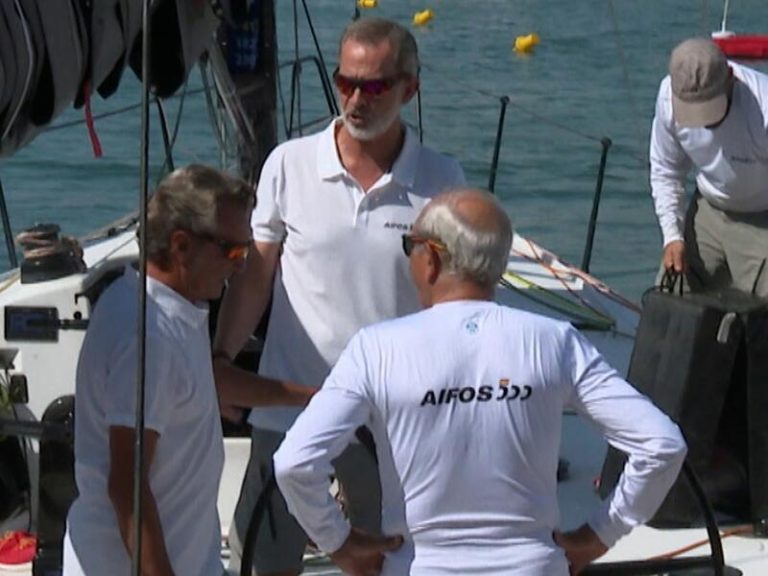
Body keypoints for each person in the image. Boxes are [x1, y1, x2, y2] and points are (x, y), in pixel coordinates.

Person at [274, 188, 687, 576]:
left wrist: (339, 542)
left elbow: (295, 462)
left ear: (432, 258)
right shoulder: (554, 341)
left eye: (410, 247)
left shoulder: (376, 349)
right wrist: (599, 535)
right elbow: (662, 445)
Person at [213, 17, 466, 576]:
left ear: (409, 90)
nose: (355, 98)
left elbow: (453, 303)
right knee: (262, 562)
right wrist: (221, 362)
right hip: (289, 408)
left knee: (384, 560)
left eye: (374, 86)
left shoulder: (443, 181)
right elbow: (256, 274)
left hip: (390, 418)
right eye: (345, 82)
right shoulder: (288, 164)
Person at [63, 165, 313, 576]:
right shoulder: (149, 336)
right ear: (181, 246)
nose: (241, 265)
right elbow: (127, 486)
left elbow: (208, 380)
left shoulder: (168, 305)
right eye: (233, 251)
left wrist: (312, 398)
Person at [650, 37, 768, 295]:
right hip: (708, 210)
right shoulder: (668, 98)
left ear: (730, 78)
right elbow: (666, 171)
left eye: (710, 108)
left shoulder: (763, 108)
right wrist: (672, 235)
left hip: (762, 218)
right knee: (671, 295)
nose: (703, 123)